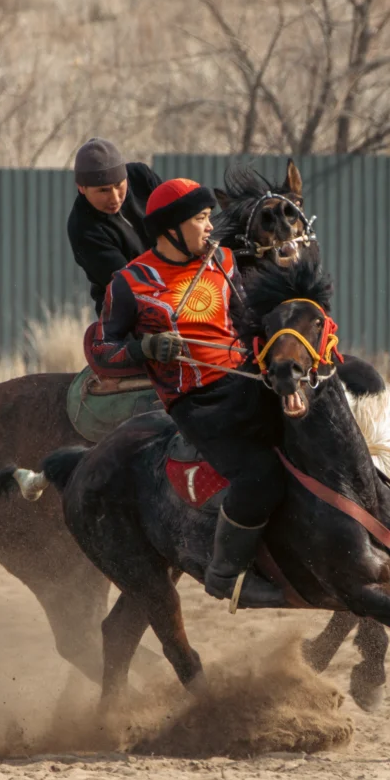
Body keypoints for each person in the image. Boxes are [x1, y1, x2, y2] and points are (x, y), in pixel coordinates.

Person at [88, 178, 287, 608]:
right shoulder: (129, 282)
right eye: (201, 218)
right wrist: (145, 348)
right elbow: (100, 348)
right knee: (258, 474)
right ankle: (226, 575)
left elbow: (251, 322)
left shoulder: (225, 262)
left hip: (246, 384)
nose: (211, 227)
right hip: (196, 403)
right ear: (172, 228)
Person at [66, 138, 162, 317]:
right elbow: (130, 284)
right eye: (103, 190)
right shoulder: (83, 229)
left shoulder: (141, 177)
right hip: (127, 313)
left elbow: (181, 219)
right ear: (81, 188)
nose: (115, 198)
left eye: (119, 185)